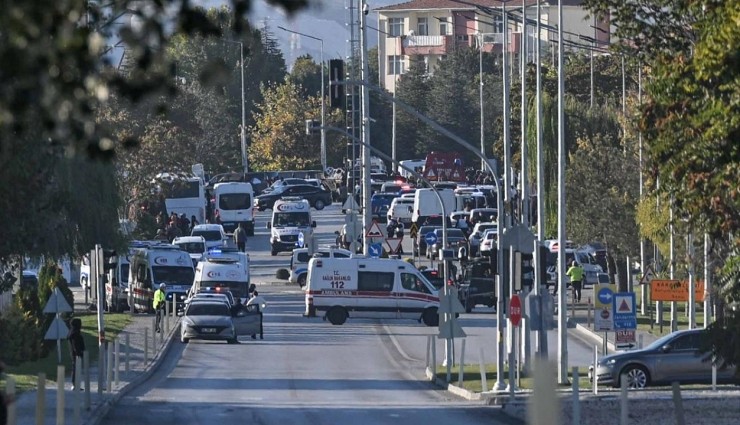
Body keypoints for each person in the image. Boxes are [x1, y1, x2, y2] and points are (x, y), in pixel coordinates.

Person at [67, 318, 85, 390]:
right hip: (76, 354)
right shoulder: (75, 334)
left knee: (76, 368)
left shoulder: (72, 332)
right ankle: (75, 384)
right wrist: (78, 353)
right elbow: (75, 344)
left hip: (75, 353)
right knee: (76, 368)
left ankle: (76, 384)